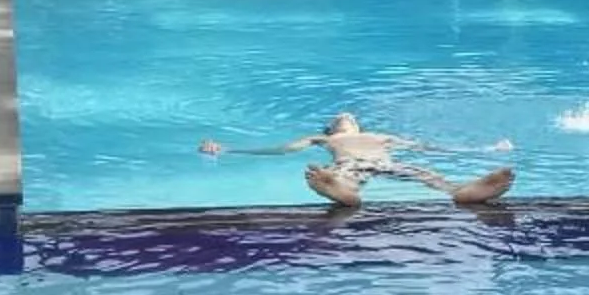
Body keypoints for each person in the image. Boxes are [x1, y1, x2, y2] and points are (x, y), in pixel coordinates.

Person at [200, 114, 515, 207]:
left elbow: (429, 148)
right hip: (348, 163)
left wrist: (487, 150)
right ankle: (340, 192)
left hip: (386, 162)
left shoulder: (382, 136)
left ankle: (465, 192)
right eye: (339, 117)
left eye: (349, 116)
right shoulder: (325, 139)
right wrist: (228, 149)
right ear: (333, 128)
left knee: (428, 175)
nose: (345, 117)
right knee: (344, 176)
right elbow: (283, 150)